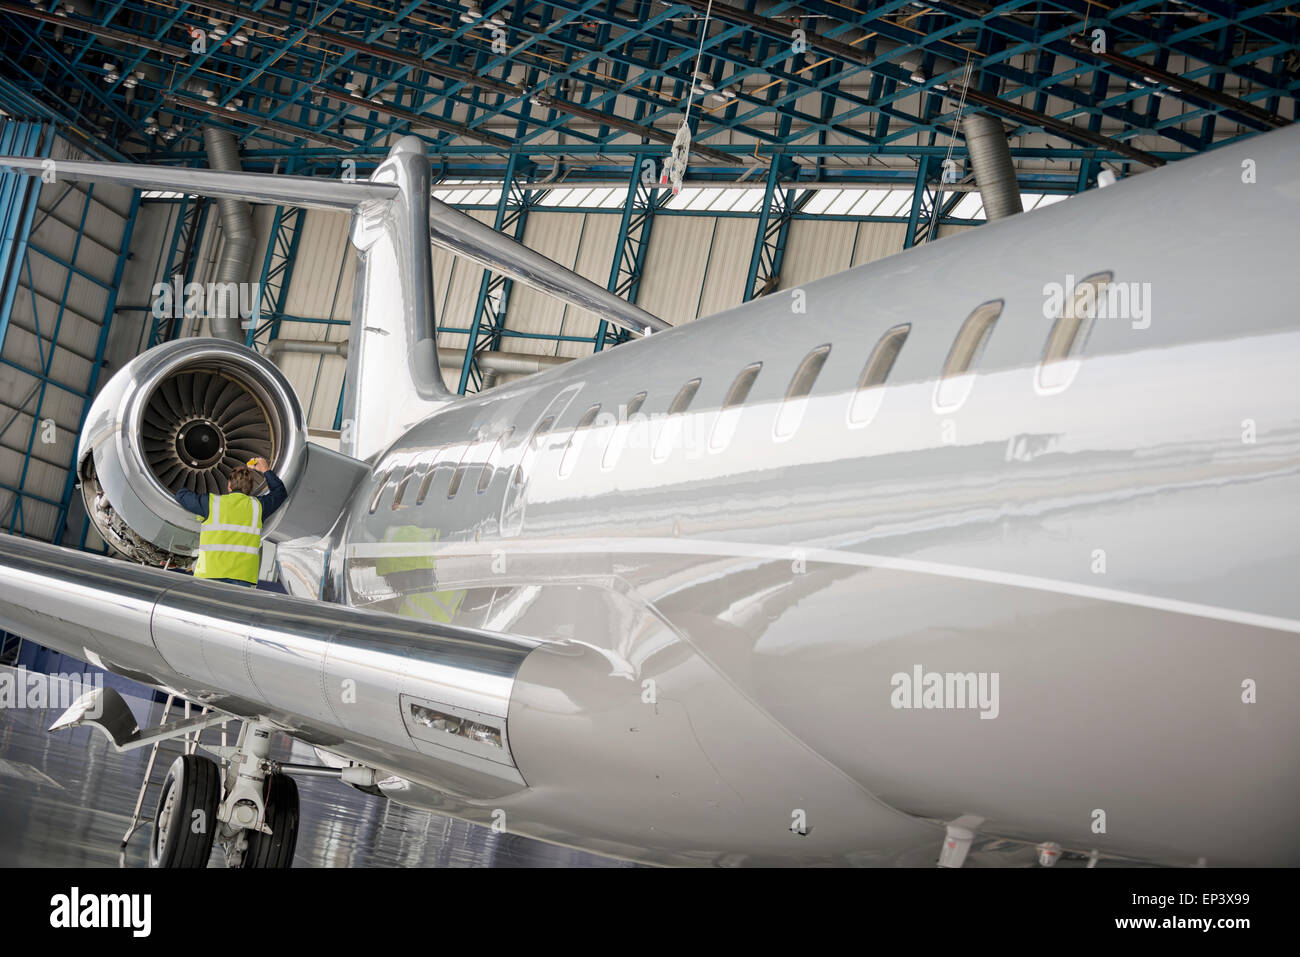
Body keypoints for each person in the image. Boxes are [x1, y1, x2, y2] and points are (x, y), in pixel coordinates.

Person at [174, 457, 287, 587]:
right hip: (242, 578)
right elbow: (280, 492)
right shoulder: (259, 507)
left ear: (229, 486)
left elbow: (181, 496)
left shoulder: (211, 503)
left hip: (209, 574)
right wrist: (265, 470)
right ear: (250, 488)